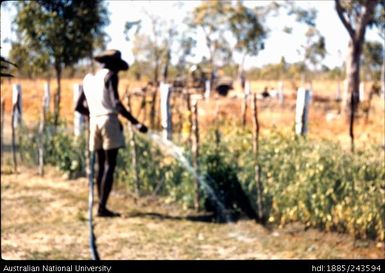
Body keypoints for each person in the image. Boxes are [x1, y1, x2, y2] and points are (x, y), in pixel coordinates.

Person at [75, 49, 148, 217]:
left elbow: (78, 107)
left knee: (101, 165)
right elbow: (116, 104)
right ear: (113, 64)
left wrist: (95, 114)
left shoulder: (89, 79)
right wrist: (136, 123)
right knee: (110, 165)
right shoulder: (111, 77)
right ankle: (102, 208)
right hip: (108, 121)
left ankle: (101, 206)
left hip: (94, 122)